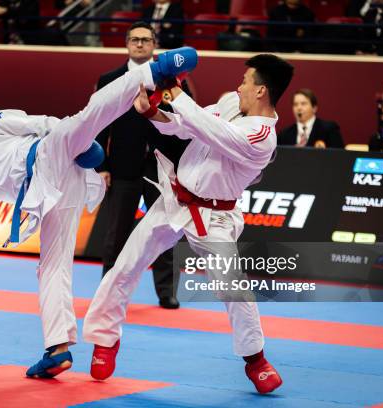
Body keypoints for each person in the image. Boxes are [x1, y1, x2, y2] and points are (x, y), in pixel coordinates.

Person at [0, 46, 198, 379]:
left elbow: (39, 123)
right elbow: (12, 187)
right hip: (48, 193)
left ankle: (154, 72)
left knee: (88, 118)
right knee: (50, 267)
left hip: (48, 154)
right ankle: (57, 349)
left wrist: (77, 142)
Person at [83, 54, 294, 395]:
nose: (238, 86)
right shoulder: (229, 102)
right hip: (174, 199)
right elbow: (187, 126)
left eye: (245, 81)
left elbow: (213, 132)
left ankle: (256, 360)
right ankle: (104, 341)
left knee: (234, 287)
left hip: (215, 217)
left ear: (261, 91)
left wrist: (176, 93)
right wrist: (154, 113)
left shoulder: (262, 137)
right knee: (125, 264)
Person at [96, 21, 191, 309]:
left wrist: (183, 167)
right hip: (122, 166)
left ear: (153, 45)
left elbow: (187, 121)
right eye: (135, 39)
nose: (139, 44)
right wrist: (101, 165)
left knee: (165, 231)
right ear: (127, 43)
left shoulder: (170, 80)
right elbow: (97, 122)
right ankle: (109, 293)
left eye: (145, 40)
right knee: (117, 235)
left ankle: (167, 292)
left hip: (161, 169)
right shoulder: (109, 79)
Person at [278, 88, 344, 148]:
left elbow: (339, 156)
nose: (299, 108)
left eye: (303, 104)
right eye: (295, 104)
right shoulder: (284, 134)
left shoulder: (329, 129)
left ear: (314, 108)